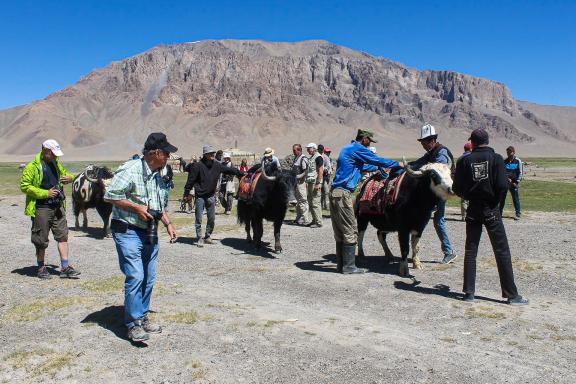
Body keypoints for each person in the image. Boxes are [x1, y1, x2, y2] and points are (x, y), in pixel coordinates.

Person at [104, 132, 179, 342]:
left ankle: (143, 315)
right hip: (128, 231)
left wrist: (168, 224)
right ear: (155, 153)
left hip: (150, 231)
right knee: (136, 275)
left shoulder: (158, 175)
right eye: (166, 153)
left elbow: (159, 204)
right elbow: (110, 195)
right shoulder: (131, 169)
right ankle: (133, 323)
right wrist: (136, 208)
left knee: (149, 276)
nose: (168, 157)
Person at [453, 129, 529, 305]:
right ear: (487, 140)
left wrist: (469, 194)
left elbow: (457, 188)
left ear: (472, 142)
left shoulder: (465, 161)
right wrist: (495, 202)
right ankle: (511, 295)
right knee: (501, 250)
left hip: (473, 210)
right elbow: (503, 185)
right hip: (491, 210)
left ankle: (469, 293)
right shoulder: (496, 159)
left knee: (471, 250)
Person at [330, 129, 402, 274]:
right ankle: (349, 267)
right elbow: (375, 159)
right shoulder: (357, 148)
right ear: (364, 138)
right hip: (343, 194)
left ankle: (341, 264)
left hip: (334, 193)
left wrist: (378, 168)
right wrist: (395, 164)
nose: (369, 145)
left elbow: (365, 166)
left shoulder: (348, 149)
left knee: (340, 230)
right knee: (351, 229)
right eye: (369, 141)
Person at [20, 139, 80, 279]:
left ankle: (65, 267)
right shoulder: (32, 167)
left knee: (62, 236)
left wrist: (69, 178)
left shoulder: (55, 162)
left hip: (58, 205)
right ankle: (41, 268)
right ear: (45, 150)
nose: (55, 156)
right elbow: (25, 186)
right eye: (52, 154)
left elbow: (66, 174)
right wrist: (45, 193)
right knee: (41, 239)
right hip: (42, 207)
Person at [410, 123, 457, 264]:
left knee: (438, 220)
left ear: (432, 140)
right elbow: (418, 163)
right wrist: (401, 166)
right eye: (422, 143)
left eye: (425, 142)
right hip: (433, 191)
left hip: (441, 192)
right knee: (435, 219)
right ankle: (447, 251)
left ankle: (449, 252)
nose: (423, 145)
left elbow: (438, 171)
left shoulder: (442, 153)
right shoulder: (431, 153)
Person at [183, 145, 244, 247]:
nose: (213, 155)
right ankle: (199, 238)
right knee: (198, 218)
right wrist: (186, 193)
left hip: (211, 196)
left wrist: (241, 173)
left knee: (211, 218)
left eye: (213, 153)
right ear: (205, 155)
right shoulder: (197, 166)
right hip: (200, 196)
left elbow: (229, 170)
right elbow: (191, 180)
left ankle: (207, 236)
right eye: (211, 153)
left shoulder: (217, 165)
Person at [501, 146, 523, 220]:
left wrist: (516, 182)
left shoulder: (518, 161)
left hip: (514, 183)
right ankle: (499, 213)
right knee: (502, 198)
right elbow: (503, 172)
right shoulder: (505, 161)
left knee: (515, 198)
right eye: (507, 152)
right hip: (505, 183)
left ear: (513, 152)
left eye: (510, 151)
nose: (508, 153)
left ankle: (518, 213)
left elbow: (520, 173)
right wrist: (506, 179)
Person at [305, 143, 324, 228]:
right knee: (311, 202)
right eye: (307, 149)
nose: (308, 150)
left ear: (314, 148)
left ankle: (319, 222)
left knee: (316, 202)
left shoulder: (318, 157)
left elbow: (320, 171)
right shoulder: (312, 158)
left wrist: (318, 183)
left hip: (315, 183)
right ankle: (314, 220)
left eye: (309, 149)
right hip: (310, 182)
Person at [292, 144, 310, 225]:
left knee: (303, 200)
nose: (293, 152)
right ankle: (299, 218)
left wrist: (299, 177)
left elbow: (305, 171)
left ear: (299, 150)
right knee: (298, 201)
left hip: (301, 183)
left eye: (294, 150)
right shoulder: (296, 158)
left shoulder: (303, 159)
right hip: (296, 183)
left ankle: (305, 219)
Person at [459, 142, 473, 221]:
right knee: (471, 200)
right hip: (471, 181)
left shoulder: (461, 158)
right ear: (470, 149)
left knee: (464, 200)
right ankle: (470, 215)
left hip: (463, 182)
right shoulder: (472, 157)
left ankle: (464, 216)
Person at [318, 144, 332, 210]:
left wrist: (326, 170)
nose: (328, 153)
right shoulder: (319, 157)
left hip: (325, 177)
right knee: (321, 192)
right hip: (320, 176)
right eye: (327, 152)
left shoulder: (327, 158)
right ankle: (321, 206)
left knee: (326, 191)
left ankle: (326, 206)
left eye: (329, 152)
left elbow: (329, 167)